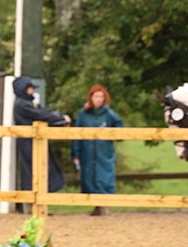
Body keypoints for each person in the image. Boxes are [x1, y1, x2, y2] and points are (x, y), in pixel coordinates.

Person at [12, 76, 71, 199]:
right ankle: (36, 203)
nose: (33, 91)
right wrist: (60, 118)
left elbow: (44, 112)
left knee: (42, 170)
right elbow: (41, 115)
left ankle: (41, 202)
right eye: (30, 88)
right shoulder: (22, 104)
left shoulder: (28, 103)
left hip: (34, 142)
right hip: (29, 143)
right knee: (37, 172)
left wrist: (59, 117)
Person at [72, 84, 125, 215]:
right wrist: (75, 153)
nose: (99, 99)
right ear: (91, 97)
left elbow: (120, 127)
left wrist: (112, 135)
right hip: (87, 152)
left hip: (104, 152)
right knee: (89, 178)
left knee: (104, 178)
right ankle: (96, 205)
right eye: (96, 96)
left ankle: (104, 206)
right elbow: (75, 135)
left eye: (101, 96)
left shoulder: (109, 114)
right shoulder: (83, 114)